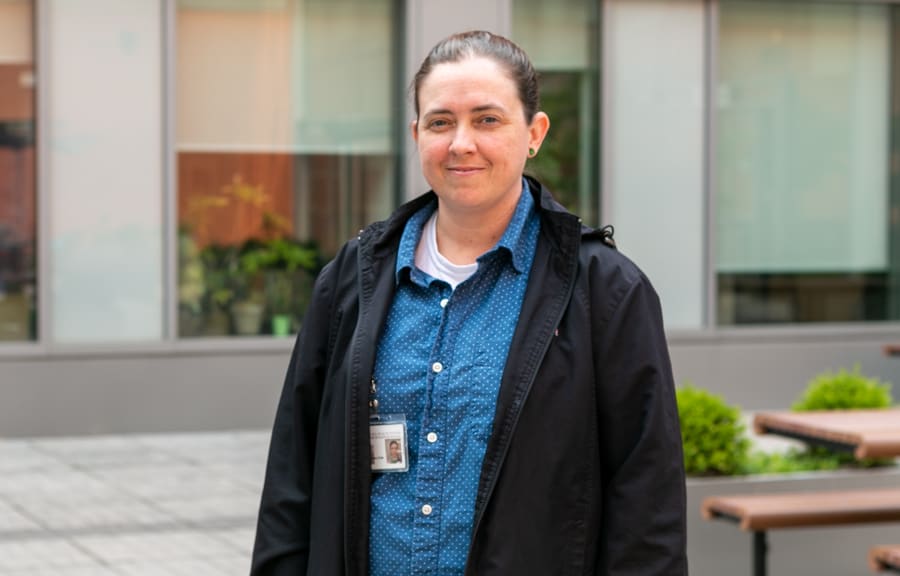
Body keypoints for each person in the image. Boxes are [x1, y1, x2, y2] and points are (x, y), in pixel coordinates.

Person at [251, 30, 687, 576]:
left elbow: (647, 502)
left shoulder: (605, 291)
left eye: (487, 119)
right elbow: (293, 476)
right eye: (440, 122)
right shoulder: (350, 279)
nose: (461, 143)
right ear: (416, 135)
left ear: (535, 132)